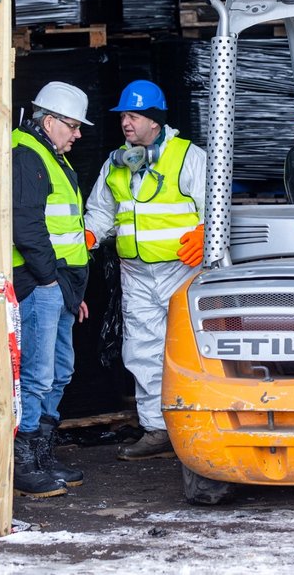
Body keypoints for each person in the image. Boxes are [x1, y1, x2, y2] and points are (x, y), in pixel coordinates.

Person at [84, 79, 207, 461]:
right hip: (135, 273)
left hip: (183, 271)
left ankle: (202, 425)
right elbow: (102, 211)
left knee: (195, 349)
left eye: (134, 115)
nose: (126, 122)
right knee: (141, 351)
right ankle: (157, 430)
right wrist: (88, 235)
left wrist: (208, 235)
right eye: (123, 115)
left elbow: (218, 207)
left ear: (155, 121)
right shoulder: (116, 162)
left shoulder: (188, 157)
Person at [11, 81, 92, 497]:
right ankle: (23, 461)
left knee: (59, 373)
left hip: (61, 286)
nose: (78, 135)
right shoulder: (27, 156)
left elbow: (64, 231)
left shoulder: (51, 158)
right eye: (73, 126)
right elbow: (26, 226)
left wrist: (70, 291)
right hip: (43, 285)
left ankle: (42, 453)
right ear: (49, 121)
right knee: (37, 376)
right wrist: (51, 282)